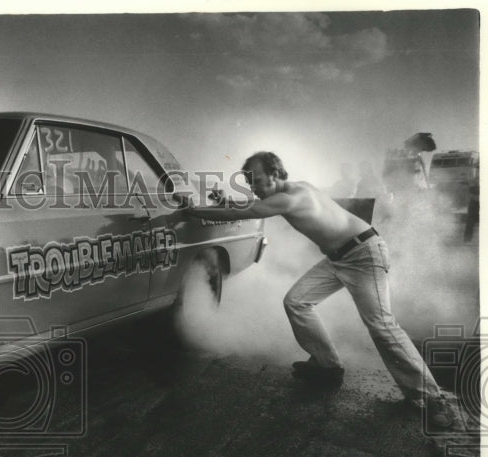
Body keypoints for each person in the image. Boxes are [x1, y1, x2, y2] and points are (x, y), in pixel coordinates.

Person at [184, 151, 455, 428]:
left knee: (381, 325)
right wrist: (226, 200)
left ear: (276, 174)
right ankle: (328, 367)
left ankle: (433, 399)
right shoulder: (293, 189)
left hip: (364, 256)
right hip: (339, 258)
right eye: (250, 181)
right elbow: (251, 204)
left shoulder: (289, 198)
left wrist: (193, 209)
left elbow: (245, 211)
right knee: (296, 301)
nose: (253, 186)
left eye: (258, 180)